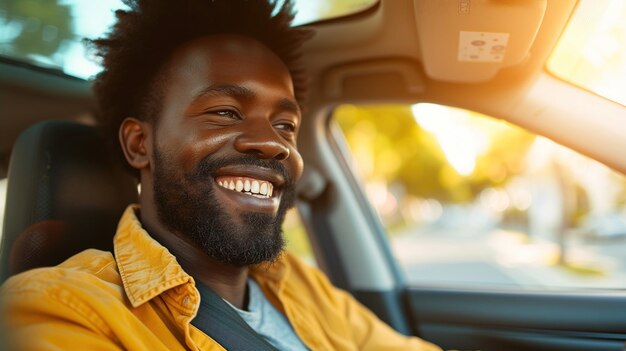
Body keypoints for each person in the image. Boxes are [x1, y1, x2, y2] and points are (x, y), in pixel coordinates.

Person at [1, 0, 441, 350]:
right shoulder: (61, 310)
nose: (274, 144)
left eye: (285, 124)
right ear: (140, 144)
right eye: (226, 113)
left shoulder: (298, 283)